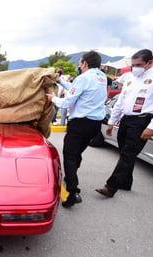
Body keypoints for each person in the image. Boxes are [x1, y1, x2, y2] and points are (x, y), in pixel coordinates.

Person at [96, 49, 153, 198]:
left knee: (128, 154)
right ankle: (126, 182)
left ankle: (111, 187)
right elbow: (121, 102)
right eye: (133, 64)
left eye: (139, 64)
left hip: (143, 120)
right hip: (126, 119)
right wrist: (111, 122)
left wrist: (152, 127)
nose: (135, 67)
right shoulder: (129, 77)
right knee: (124, 151)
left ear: (150, 62)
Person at [46, 51, 107, 207]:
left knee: (69, 155)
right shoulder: (101, 78)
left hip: (80, 123)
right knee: (77, 152)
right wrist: (60, 81)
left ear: (85, 63)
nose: (79, 66)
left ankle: (73, 192)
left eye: (80, 63)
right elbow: (77, 89)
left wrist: (53, 98)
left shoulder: (83, 78)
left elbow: (68, 102)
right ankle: (71, 177)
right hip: (95, 124)